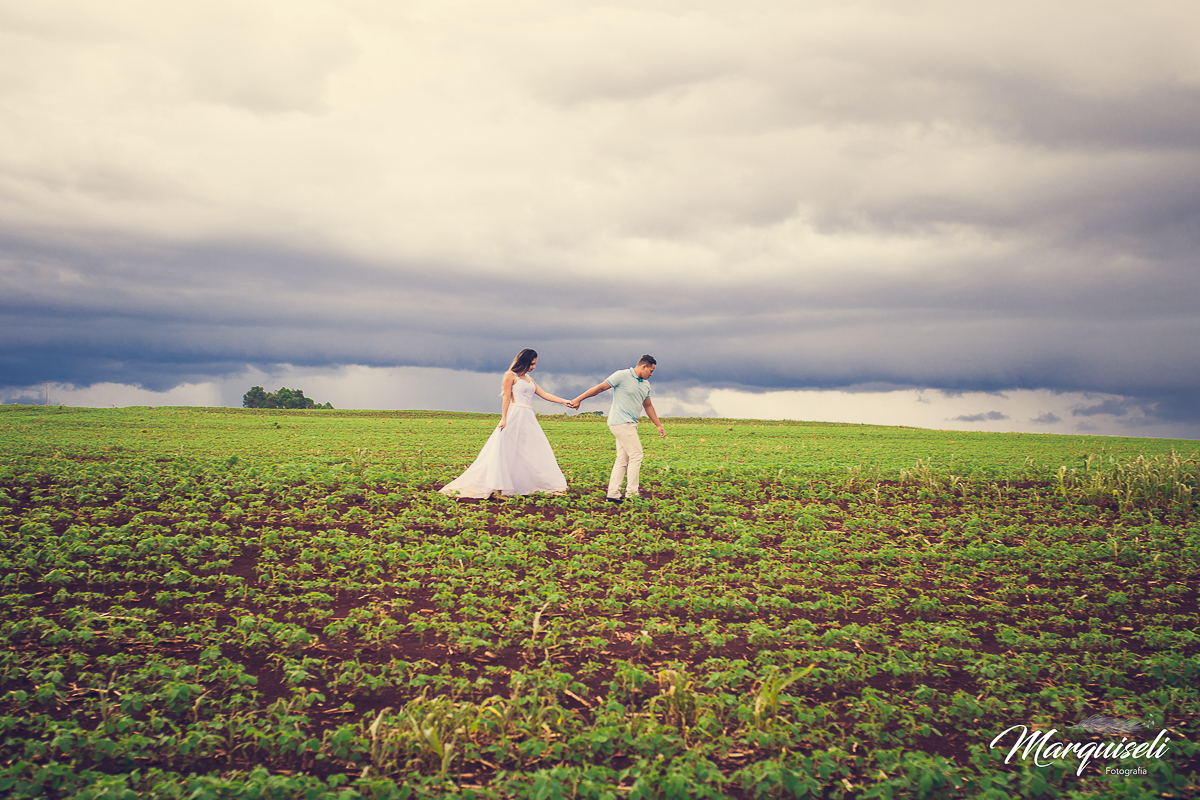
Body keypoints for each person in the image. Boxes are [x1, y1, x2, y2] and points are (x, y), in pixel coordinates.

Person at [440, 349, 572, 499]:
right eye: (532, 364)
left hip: (528, 416)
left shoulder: (529, 379)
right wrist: (504, 418)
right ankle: (501, 486)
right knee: (507, 449)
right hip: (515, 414)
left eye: (535, 364)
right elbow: (507, 398)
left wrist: (564, 401)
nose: (534, 367)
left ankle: (530, 484)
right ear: (524, 362)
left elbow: (545, 394)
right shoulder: (510, 375)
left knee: (531, 449)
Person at [569, 355, 665, 504]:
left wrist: (658, 425)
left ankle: (613, 494)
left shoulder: (646, 385)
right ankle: (632, 493)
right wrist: (578, 399)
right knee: (636, 455)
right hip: (621, 422)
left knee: (622, 458)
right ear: (643, 366)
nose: (651, 374)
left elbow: (647, 405)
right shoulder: (622, 375)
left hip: (631, 424)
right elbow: (600, 388)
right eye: (651, 371)